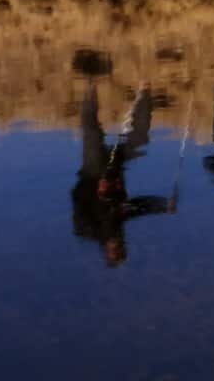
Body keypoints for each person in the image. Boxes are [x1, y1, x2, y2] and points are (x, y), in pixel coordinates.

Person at [70, 82, 175, 266]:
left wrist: (96, 185)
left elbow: (76, 197)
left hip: (92, 171)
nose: (117, 245)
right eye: (120, 247)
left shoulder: (88, 229)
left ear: (106, 251)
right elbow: (139, 207)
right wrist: (163, 205)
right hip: (115, 167)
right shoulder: (118, 223)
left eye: (114, 250)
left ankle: (90, 86)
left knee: (91, 131)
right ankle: (145, 91)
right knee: (140, 138)